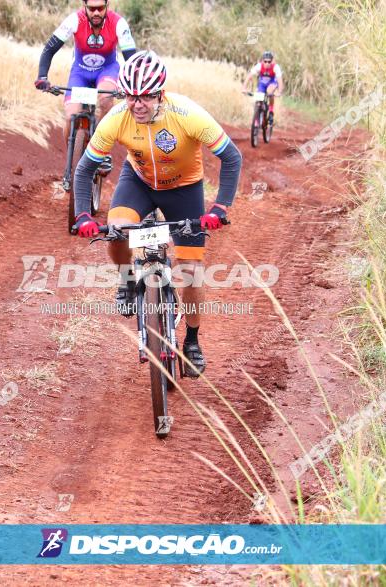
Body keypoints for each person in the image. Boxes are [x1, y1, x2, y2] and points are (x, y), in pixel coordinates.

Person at [70, 50, 243, 376]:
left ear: (160, 93)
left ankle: (191, 338)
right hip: (139, 183)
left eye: (146, 97)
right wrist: (82, 215)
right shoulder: (117, 117)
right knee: (116, 231)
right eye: (131, 96)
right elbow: (84, 169)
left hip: (185, 189)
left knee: (191, 269)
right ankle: (127, 279)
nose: (137, 104)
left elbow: (231, 158)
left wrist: (220, 207)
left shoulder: (188, 114)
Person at [35, 0, 137, 174]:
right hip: (80, 73)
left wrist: (134, 84)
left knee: (105, 99)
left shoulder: (118, 23)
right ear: (84, 7)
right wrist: (42, 77)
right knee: (70, 116)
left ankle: (102, 149)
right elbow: (49, 49)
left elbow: (131, 57)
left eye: (100, 8)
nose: (96, 13)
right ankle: (72, 163)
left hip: (107, 70)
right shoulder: (74, 20)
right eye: (91, 9)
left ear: (107, 6)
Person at [242, 50, 284, 124]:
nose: (267, 63)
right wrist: (244, 88)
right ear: (262, 61)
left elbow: (280, 80)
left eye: (269, 61)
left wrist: (279, 92)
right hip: (262, 84)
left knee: (270, 92)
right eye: (265, 61)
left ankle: (271, 111)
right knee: (258, 98)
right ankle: (257, 114)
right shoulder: (259, 66)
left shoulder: (276, 67)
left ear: (272, 61)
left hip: (272, 83)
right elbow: (249, 76)